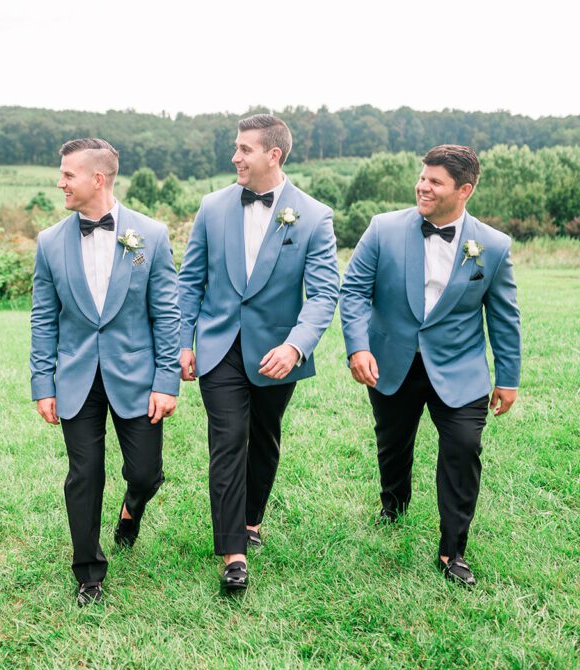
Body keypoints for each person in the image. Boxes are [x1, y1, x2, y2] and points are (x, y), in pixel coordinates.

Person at [339, 144, 521, 586]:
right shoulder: (383, 229)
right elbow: (354, 291)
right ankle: (393, 503)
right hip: (391, 361)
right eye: (422, 177)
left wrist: (509, 378)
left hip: (460, 369)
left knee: (463, 449)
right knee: (393, 444)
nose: (423, 186)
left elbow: (504, 316)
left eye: (435, 181)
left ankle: (452, 550)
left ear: (464, 190)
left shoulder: (492, 246)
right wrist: (358, 347)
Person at [177, 114, 340, 591]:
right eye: (235, 147)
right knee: (228, 440)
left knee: (264, 439)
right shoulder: (211, 207)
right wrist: (184, 342)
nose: (235, 157)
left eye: (244, 149)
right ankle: (233, 553)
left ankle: (251, 518)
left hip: (277, 351)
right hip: (218, 345)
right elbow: (190, 281)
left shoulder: (313, 216)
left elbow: (324, 293)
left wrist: (295, 346)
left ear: (274, 155)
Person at [30, 138, 180, 606]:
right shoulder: (50, 242)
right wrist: (42, 383)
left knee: (145, 473)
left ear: (98, 179)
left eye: (68, 175)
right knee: (84, 473)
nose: (60, 183)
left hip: (136, 377)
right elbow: (42, 317)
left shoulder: (149, 237)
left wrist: (166, 380)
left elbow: (167, 314)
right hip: (74, 379)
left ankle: (131, 509)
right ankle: (89, 573)